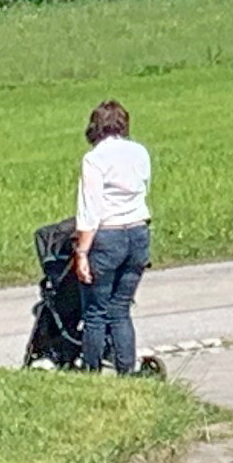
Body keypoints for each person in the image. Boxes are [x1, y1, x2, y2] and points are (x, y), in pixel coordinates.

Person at [74, 100, 152, 374]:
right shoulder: (140, 152)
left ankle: (92, 371)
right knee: (120, 309)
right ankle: (126, 371)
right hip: (139, 232)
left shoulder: (94, 159)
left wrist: (82, 252)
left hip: (108, 236)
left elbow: (90, 209)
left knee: (96, 312)